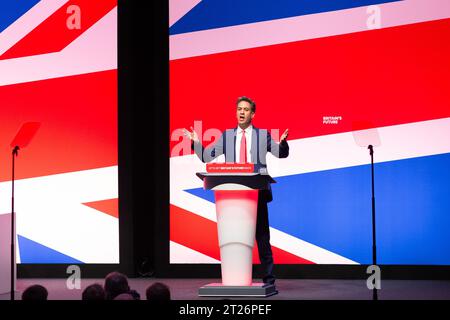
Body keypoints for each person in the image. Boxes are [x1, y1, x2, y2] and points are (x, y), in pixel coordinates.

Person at [183, 96, 289, 285]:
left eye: (246, 109)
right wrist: (196, 143)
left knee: (262, 236)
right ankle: (234, 278)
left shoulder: (262, 135)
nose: (241, 112)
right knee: (234, 235)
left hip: (256, 192)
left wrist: (283, 144)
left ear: (253, 114)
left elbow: (280, 153)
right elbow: (207, 157)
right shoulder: (227, 136)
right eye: (239, 109)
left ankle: (269, 278)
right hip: (232, 195)